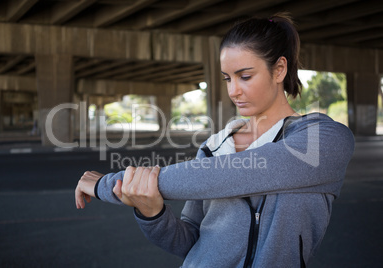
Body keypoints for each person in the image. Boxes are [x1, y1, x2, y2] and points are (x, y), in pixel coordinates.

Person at [75, 14, 354, 267]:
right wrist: (152, 213)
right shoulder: (213, 147)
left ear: (279, 69)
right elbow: (189, 241)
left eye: (245, 76)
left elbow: (233, 174)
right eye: (226, 79)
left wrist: (109, 184)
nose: (234, 91)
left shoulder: (324, 141)